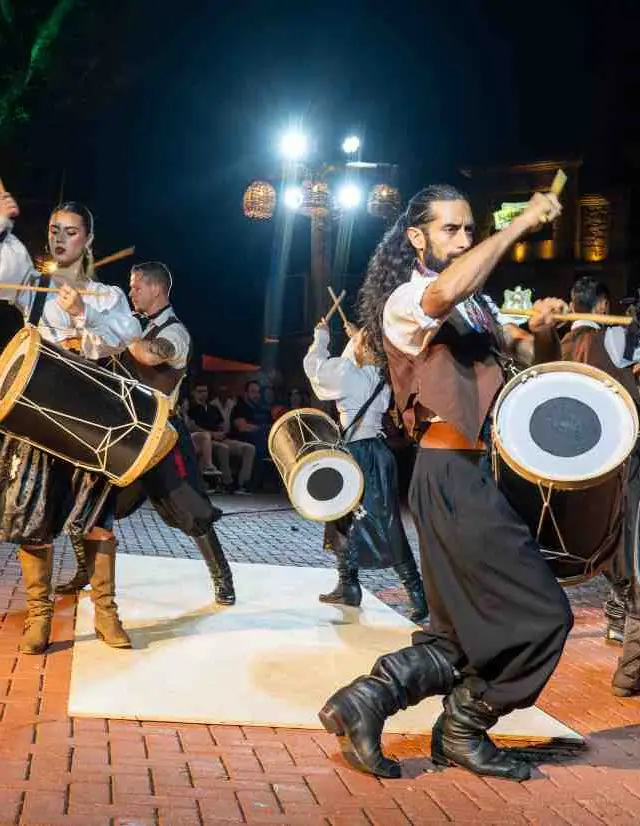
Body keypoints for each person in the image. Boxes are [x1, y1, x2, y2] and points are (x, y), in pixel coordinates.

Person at [318, 184, 574, 781]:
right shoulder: (408, 299)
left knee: (458, 630)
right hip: (451, 472)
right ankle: (464, 724)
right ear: (417, 237)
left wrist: (543, 328)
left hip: (475, 474)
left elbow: (529, 360)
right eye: (450, 229)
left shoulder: (476, 305)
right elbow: (445, 290)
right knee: (545, 616)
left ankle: (366, 700)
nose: (462, 239)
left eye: (468, 230)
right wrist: (518, 226)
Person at [0, 192, 140, 652]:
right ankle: (39, 617)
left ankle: (106, 613)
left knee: (98, 520)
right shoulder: (29, 284)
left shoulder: (107, 295)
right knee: (33, 519)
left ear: (89, 239)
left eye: (71, 232)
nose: (60, 239)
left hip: (88, 421)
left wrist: (83, 314)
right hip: (37, 419)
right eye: (54, 230)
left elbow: (127, 337)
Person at [56, 262, 235, 605]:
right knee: (90, 501)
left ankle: (223, 579)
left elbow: (150, 356)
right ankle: (85, 571)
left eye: (137, 287)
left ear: (156, 289)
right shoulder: (137, 326)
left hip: (163, 438)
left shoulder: (175, 332)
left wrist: (112, 326)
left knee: (192, 510)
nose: (131, 293)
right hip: (128, 435)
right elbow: (104, 347)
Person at [303, 320, 427, 622]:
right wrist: (358, 337)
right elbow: (355, 359)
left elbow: (315, 367)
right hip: (377, 453)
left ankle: (415, 592)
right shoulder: (379, 376)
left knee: (367, 521)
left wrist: (321, 336)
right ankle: (349, 586)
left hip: (358, 454)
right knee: (347, 518)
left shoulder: (347, 375)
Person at [562, 276, 639, 649]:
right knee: (625, 529)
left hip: (579, 457)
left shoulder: (561, 344)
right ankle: (621, 614)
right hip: (620, 451)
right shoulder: (612, 338)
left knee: (604, 529)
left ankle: (616, 615)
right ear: (604, 306)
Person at [187, 381, 255, 493]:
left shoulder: (213, 408)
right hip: (204, 440)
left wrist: (221, 433)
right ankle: (227, 483)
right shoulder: (190, 409)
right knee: (223, 448)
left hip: (221, 437)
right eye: (199, 391)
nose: (203, 394)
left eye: (205, 391)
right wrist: (212, 434)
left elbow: (221, 425)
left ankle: (243, 484)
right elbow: (191, 427)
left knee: (249, 448)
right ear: (193, 393)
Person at [232, 380, 270, 460]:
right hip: (245, 440)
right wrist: (262, 428)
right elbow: (242, 428)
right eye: (253, 392)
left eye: (258, 392)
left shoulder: (262, 409)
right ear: (246, 394)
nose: (256, 395)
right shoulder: (239, 408)